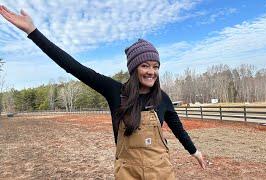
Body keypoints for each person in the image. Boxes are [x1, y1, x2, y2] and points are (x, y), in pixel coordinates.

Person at [0, 5, 206, 179]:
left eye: (155, 66)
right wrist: (32, 31)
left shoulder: (163, 98)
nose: (151, 71)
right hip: (128, 173)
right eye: (145, 65)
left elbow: (178, 129)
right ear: (134, 69)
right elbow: (73, 66)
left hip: (162, 172)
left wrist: (194, 151)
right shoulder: (115, 91)